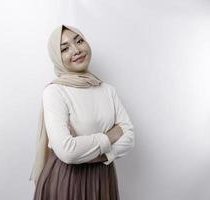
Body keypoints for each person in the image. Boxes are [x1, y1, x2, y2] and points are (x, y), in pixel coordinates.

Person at [29, 24, 135, 200]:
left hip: (103, 178)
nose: (76, 50)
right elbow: (67, 152)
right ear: (57, 57)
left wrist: (98, 154)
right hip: (67, 179)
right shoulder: (55, 92)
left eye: (79, 41)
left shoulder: (107, 90)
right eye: (65, 48)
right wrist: (111, 136)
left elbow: (129, 137)